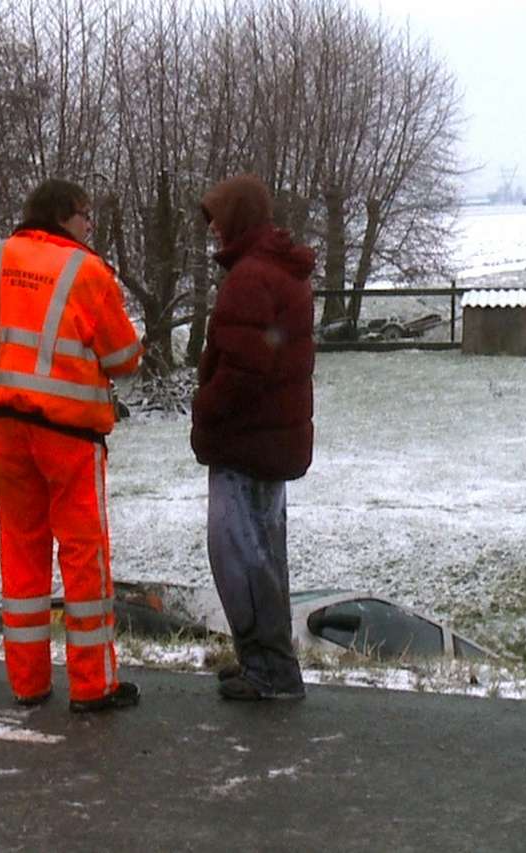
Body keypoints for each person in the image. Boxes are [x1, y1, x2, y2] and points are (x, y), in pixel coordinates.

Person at [0, 178, 144, 713]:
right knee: (84, 558)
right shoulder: (86, 271)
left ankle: (28, 683)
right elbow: (123, 360)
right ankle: (92, 685)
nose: (90, 227)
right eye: (87, 216)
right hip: (68, 435)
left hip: (4, 431)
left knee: (21, 557)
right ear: (66, 216)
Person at [191, 173, 316, 701]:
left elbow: (244, 368)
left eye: (217, 216)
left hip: (246, 442)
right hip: (272, 440)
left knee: (241, 559)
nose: (213, 227)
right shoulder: (279, 270)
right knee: (265, 555)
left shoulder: (249, 278)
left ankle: (269, 672)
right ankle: (268, 664)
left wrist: (204, 406)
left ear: (237, 217)